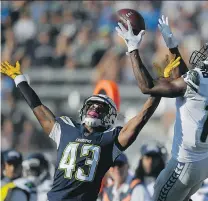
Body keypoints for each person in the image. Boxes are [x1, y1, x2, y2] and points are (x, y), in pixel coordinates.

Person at [0, 58, 179, 201]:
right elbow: (38, 108)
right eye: (92, 105)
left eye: (101, 108)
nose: (95, 109)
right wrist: (19, 80)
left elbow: (141, 118)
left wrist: (158, 91)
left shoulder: (110, 139)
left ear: (109, 116)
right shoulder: (65, 129)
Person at [116, 15, 208, 201]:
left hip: (186, 162)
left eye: (206, 56)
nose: (200, 58)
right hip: (206, 160)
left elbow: (147, 87)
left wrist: (132, 49)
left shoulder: (198, 80)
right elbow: (189, 83)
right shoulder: (206, 82)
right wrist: (172, 46)